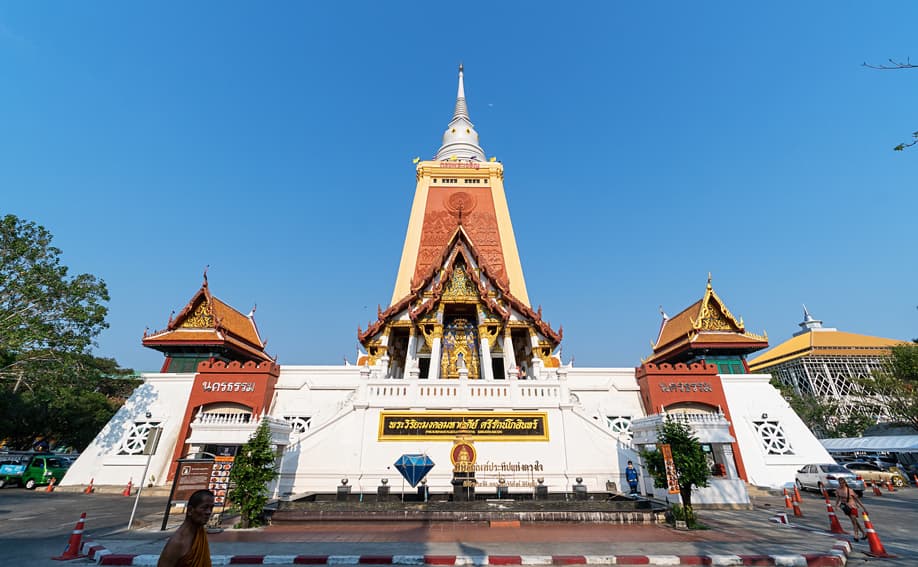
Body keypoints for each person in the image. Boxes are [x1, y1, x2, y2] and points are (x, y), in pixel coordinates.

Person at [158, 489, 214, 567]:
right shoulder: (177, 542)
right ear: (190, 510)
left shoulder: (199, 530)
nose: (209, 512)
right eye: (204, 508)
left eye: (211, 508)